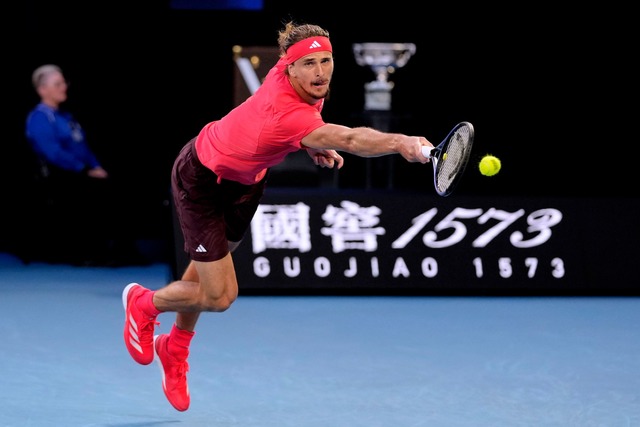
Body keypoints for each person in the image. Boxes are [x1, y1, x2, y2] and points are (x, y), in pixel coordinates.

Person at [122, 21, 434, 412]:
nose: (320, 72)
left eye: (326, 60)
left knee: (202, 274)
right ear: (289, 69)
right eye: (310, 64)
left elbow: (306, 130)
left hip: (245, 182)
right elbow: (352, 140)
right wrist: (400, 143)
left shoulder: (300, 84)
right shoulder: (289, 112)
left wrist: (307, 145)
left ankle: (175, 349)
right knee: (219, 296)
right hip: (201, 178)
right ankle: (144, 303)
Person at [24, 64, 131, 265]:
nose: (64, 87)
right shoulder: (40, 117)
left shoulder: (66, 117)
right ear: (42, 89)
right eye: (58, 83)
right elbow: (53, 153)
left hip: (81, 171)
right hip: (60, 176)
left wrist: (96, 167)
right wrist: (83, 169)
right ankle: (93, 252)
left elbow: (83, 147)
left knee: (113, 184)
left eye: (64, 82)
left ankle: (119, 250)